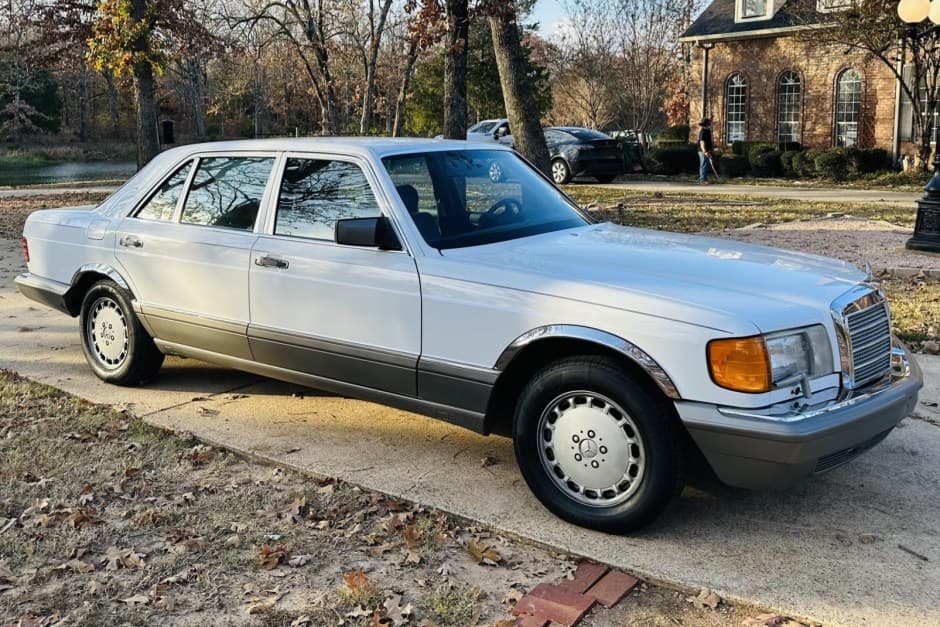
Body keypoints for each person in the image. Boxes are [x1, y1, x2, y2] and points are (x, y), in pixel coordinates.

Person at [697, 118, 715, 184]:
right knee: (704, 164)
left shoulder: (708, 131)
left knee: (706, 165)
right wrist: (705, 151)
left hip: (708, 150)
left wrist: (711, 149)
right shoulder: (703, 132)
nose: (710, 125)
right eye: (709, 124)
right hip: (703, 151)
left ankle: (705, 178)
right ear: (706, 125)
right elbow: (702, 143)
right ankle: (702, 180)